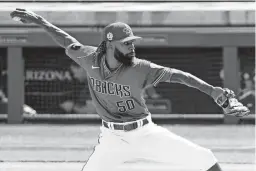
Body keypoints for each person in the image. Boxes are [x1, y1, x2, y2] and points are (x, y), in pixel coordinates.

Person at [10, 8, 249, 171]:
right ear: (110, 44)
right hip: (112, 140)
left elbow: (179, 76)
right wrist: (39, 20)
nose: (132, 47)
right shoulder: (88, 58)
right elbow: (65, 39)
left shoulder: (140, 68)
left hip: (145, 133)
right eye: (126, 44)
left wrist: (212, 91)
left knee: (205, 159)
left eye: (133, 42)